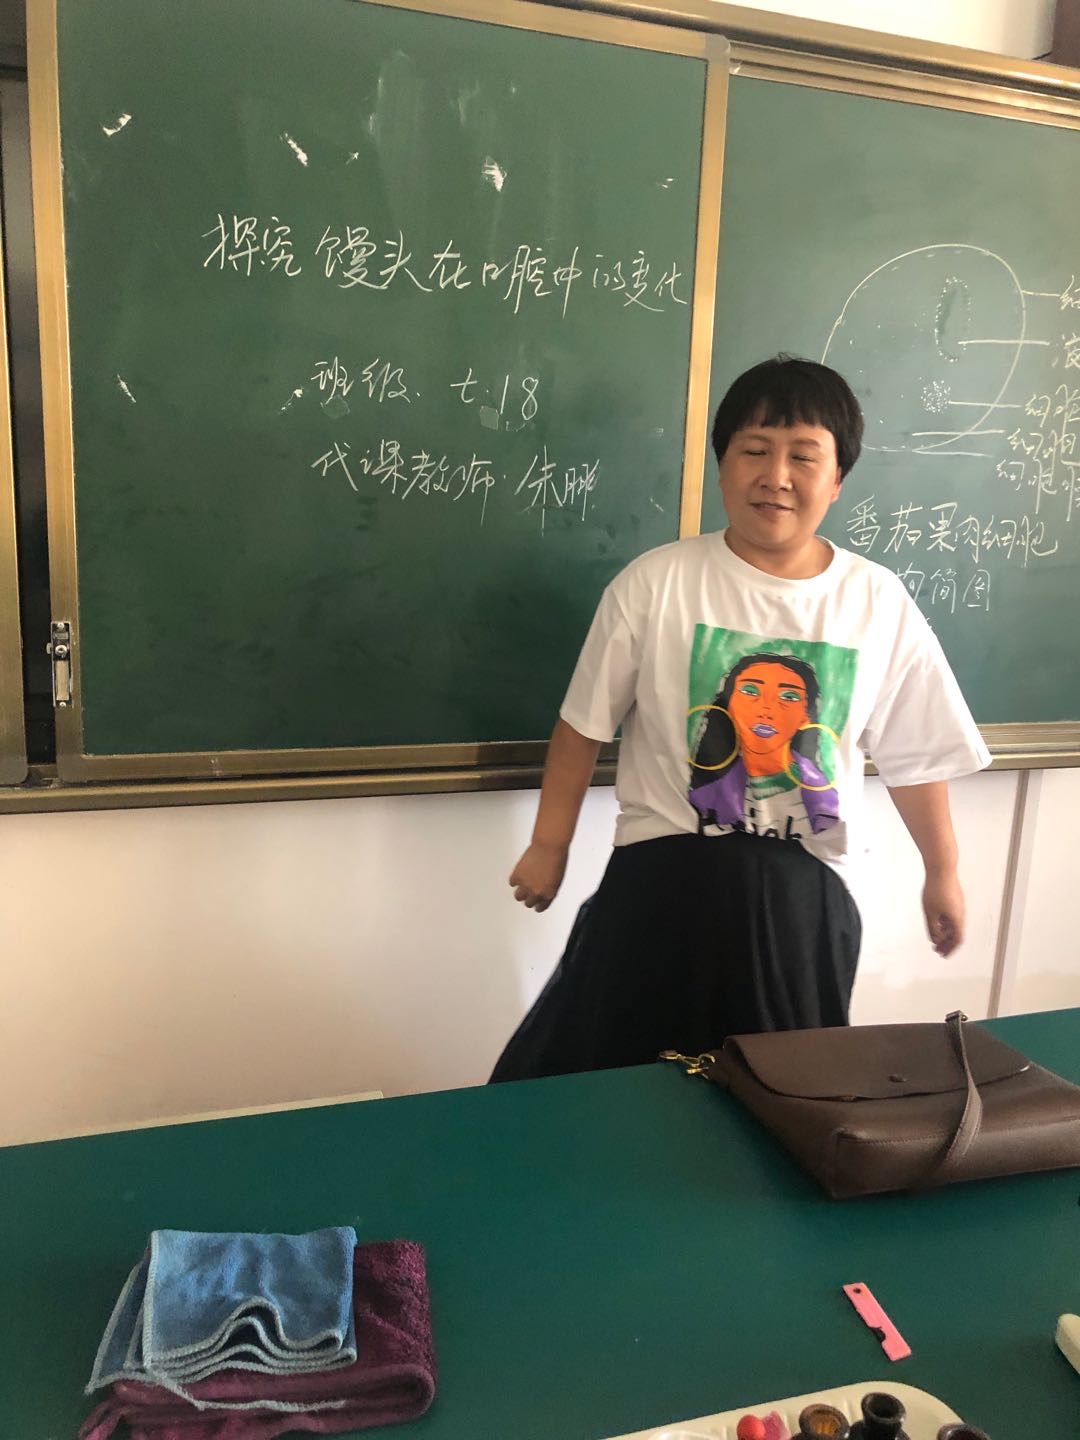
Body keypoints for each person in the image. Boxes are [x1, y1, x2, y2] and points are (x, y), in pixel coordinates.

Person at [489, 355, 990, 1082]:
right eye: (754, 450)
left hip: (800, 907)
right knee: (614, 1086)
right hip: (658, 891)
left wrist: (942, 872)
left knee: (787, 1100)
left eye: (803, 456)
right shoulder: (655, 582)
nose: (775, 476)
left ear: (837, 478)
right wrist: (549, 844)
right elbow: (582, 725)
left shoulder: (876, 601)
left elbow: (916, 755)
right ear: (722, 466)